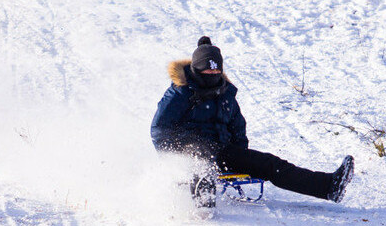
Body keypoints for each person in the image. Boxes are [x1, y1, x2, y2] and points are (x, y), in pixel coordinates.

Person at [151, 36, 354, 207]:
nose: (213, 74)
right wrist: (174, 157)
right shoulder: (180, 92)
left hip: (222, 151)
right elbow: (159, 129)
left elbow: (237, 126)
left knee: (270, 164)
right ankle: (203, 207)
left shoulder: (225, 92)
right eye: (208, 71)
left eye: (216, 71)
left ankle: (329, 187)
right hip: (189, 151)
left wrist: (241, 157)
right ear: (197, 70)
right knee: (200, 156)